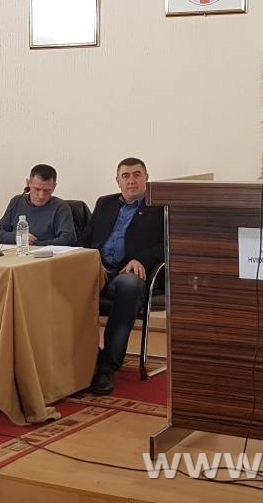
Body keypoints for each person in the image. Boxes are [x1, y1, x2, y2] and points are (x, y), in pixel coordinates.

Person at [80, 157, 164, 395]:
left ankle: (107, 367)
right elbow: (84, 240)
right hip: (96, 270)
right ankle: (72, 360)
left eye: (137, 175)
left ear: (147, 178)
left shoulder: (159, 207)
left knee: (129, 285)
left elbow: (168, 244)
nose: (131, 181)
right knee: (53, 281)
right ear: (117, 181)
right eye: (125, 176)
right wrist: (88, 261)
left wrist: (142, 260)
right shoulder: (104, 203)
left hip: (128, 273)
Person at [0, 164, 77, 246]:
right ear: (28, 183)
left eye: (47, 190)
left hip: (46, 254)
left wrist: (34, 244)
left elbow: (68, 239)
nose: (41, 196)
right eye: (37, 189)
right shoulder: (16, 201)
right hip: (17, 252)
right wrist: (17, 238)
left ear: (54, 186)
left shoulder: (61, 207)